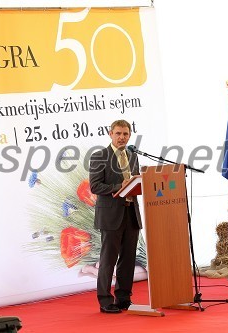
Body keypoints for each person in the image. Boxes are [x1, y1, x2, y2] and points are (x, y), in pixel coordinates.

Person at [89, 119, 143, 314]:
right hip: (111, 215)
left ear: (130, 135)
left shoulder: (133, 156)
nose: (122, 137)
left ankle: (123, 298)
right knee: (108, 259)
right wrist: (117, 188)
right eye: (118, 133)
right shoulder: (99, 156)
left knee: (128, 258)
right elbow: (95, 186)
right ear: (110, 134)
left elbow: (137, 181)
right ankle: (105, 300)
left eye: (125, 134)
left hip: (131, 213)